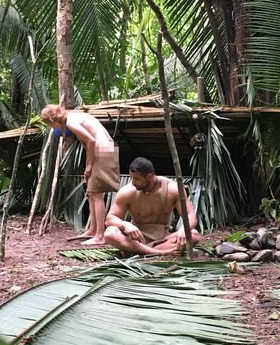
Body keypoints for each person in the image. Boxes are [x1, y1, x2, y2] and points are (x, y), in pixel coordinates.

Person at [41, 104, 120, 246]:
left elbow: (91, 141)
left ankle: (100, 236)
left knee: (96, 193)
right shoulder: (72, 115)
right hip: (104, 147)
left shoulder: (71, 121)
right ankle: (92, 229)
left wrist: (89, 166)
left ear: (53, 120)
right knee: (91, 192)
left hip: (102, 149)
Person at [104, 157, 201, 255]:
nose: (133, 182)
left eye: (136, 179)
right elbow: (110, 219)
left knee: (194, 234)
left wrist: (184, 229)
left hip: (162, 239)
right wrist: (125, 225)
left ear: (149, 177)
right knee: (110, 233)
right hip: (136, 239)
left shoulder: (172, 189)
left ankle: (139, 251)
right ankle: (158, 252)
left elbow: (190, 215)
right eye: (131, 177)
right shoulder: (127, 192)